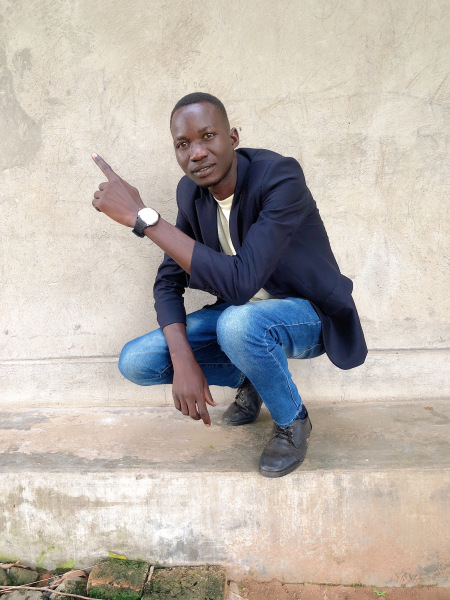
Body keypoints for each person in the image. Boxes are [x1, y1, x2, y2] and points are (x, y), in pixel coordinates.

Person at [91, 92, 367, 478]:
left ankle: (292, 422)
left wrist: (145, 219)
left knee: (236, 324)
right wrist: (183, 360)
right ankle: (255, 376)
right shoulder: (190, 194)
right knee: (136, 361)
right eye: (183, 144)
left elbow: (240, 283)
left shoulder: (280, 177)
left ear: (233, 137)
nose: (197, 152)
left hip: (308, 313)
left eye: (208, 136)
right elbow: (168, 282)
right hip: (240, 315)